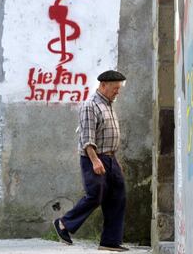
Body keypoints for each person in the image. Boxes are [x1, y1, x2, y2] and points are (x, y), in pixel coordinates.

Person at [53, 70, 128, 252]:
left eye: (119, 88)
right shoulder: (91, 105)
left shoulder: (108, 104)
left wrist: (114, 161)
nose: (117, 92)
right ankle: (63, 223)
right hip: (94, 157)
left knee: (118, 196)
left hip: (110, 158)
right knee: (95, 194)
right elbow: (88, 138)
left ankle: (109, 241)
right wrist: (95, 161)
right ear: (103, 85)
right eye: (115, 88)